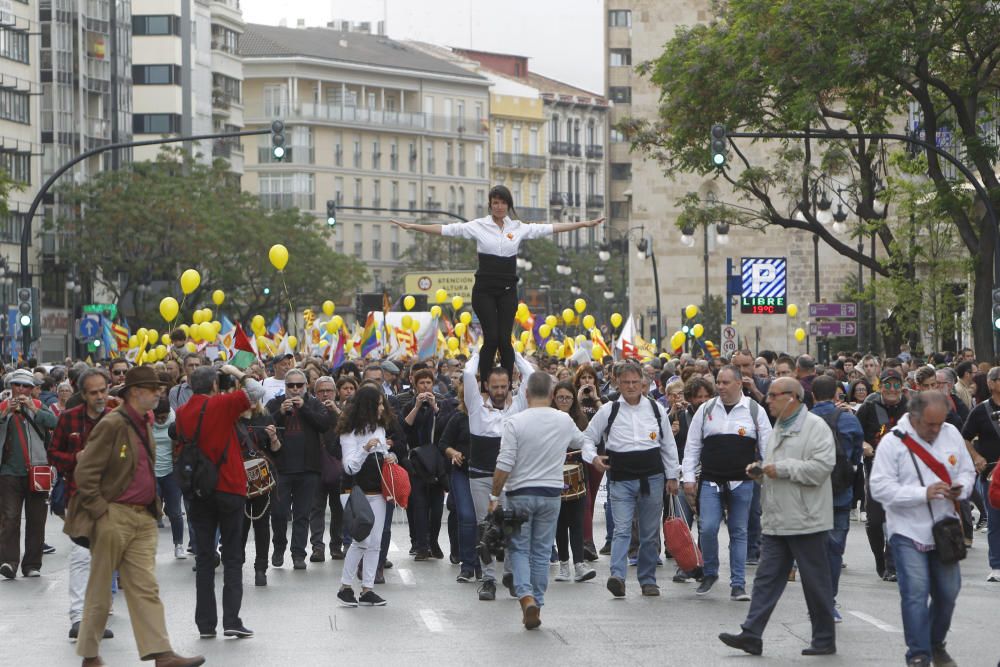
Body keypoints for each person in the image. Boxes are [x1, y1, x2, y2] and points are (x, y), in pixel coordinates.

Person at [391, 184, 602, 384]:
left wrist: (582, 224)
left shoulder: (518, 228)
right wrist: (412, 226)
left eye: (502, 203)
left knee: (505, 339)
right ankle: (485, 383)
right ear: (490, 205)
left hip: (508, 290)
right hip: (484, 291)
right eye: (495, 202)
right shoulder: (479, 226)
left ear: (508, 205)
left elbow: (550, 228)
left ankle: (507, 383)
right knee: (491, 338)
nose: (499, 206)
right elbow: (447, 229)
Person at [65, 366, 204, 667]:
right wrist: (101, 512)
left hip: (143, 517)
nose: (159, 393)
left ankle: (162, 655)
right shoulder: (113, 424)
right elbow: (85, 472)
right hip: (114, 515)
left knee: (145, 588)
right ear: (134, 392)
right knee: (101, 589)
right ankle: (90, 656)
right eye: (153, 388)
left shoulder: (147, 420)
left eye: (159, 388)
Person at [718, 377, 837, 657]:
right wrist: (760, 472)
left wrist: (779, 469)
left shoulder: (815, 427)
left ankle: (824, 638)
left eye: (773, 396)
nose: (767, 400)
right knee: (766, 579)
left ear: (792, 398)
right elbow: (777, 471)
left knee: (815, 582)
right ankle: (752, 634)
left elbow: (821, 469)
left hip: (806, 519)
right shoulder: (779, 427)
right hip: (776, 520)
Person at [869, 391, 975, 667]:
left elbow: (967, 471)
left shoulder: (951, 433)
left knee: (948, 592)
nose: (936, 430)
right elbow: (879, 488)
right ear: (914, 417)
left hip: (945, 529)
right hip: (907, 530)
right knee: (915, 592)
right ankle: (918, 654)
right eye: (930, 425)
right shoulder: (893, 443)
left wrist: (960, 490)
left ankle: (935, 642)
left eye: (940, 423)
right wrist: (922, 493)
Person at [489, 372, 586, 629]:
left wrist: (494, 494)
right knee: (542, 552)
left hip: (520, 493)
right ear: (553, 396)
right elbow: (582, 440)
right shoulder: (563, 420)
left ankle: (526, 596)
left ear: (527, 394)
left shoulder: (515, 422)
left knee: (519, 549)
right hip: (551, 494)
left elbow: (505, 463)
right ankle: (538, 603)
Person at [176, 364, 264, 640]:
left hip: (199, 488)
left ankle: (205, 624)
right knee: (233, 557)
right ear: (214, 385)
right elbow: (256, 390)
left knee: (204, 558)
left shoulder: (181, 412)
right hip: (228, 485)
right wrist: (236, 372)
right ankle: (232, 620)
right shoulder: (222, 404)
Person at [582, 360, 680, 599]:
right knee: (622, 530)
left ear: (644, 383)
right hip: (621, 479)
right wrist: (593, 458)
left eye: (635, 382)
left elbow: (668, 445)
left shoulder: (656, 410)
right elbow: (587, 438)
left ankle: (647, 580)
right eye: (626, 382)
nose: (631, 386)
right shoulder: (609, 410)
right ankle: (617, 576)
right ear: (617, 383)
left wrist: (672, 476)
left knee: (648, 532)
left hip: (652, 478)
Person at [682, 365, 772, 600]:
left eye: (725, 382)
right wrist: (688, 479)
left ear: (739, 383)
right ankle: (710, 572)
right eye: (718, 382)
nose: (720, 387)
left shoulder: (754, 410)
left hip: (742, 482)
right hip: (711, 480)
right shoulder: (706, 409)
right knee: (709, 527)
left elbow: (768, 447)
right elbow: (692, 446)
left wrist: (767, 473)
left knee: (739, 531)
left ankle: (738, 583)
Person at [461, 346, 535, 601]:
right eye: (495, 387)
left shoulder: (519, 407)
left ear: (510, 384)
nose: (500, 391)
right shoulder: (476, 408)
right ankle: (489, 578)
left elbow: (532, 375)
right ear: (487, 387)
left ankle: (512, 575)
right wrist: (482, 350)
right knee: (486, 526)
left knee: (512, 525)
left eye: (504, 386)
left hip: (511, 478)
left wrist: (511, 350)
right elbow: (468, 375)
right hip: (481, 477)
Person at [48, 367, 115, 640]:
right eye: (94, 392)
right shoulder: (69, 419)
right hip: (78, 495)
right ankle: (78, 617)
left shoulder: (115, 420)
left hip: (110, 497)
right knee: (80, 556)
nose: (100, 396)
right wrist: (75, 458)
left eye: (103, 390)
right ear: (83, 394)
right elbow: (54, 453)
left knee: (103, 560)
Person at [266, 368, 334, 569]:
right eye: (290, 385)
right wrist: (280, 413)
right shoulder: (275, 404)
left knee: (302, 515)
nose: (295, 390)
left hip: (308, 469)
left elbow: (324, 424)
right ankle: (279, 547)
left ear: (306, 386)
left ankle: (298, 554)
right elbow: (264, 426)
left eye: (299, 385)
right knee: (278, 514)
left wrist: (304, 408)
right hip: (282, 468)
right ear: (284, 387)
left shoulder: (314, 403)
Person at [336, 384, 396, 608]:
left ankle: (368, 589)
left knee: (376, 542)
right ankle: (345, 586)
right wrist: (365, 449)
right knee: (361, 540)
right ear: (368, 407)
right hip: (354, 492)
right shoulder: (349, 431)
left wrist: (391, 457)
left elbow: (382, 456)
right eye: (379, 404)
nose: (382, 408)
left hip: (378, 491)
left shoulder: (380, 428)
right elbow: (350, 468)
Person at [810, 375, 863, 621]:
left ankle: (816, 602)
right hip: (840, 493)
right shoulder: (849, 421)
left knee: (811, 551)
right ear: (836, 395)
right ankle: (828, 602)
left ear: (812, 395)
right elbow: (855, 456)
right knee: (834, 551)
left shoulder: (803, 420)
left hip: (809, 494)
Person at [0, 368, 58, 580]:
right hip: (9, 472)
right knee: (9, 518)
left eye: (26, 386)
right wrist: (5, 412)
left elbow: (56, 424)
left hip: (38, 470)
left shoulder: (40, 406)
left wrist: (34, 409)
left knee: (36, 519)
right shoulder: (3, 406)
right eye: (17, 385)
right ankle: (8, 562)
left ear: (33, 390)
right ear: (11, 386)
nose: (21, 390)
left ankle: (32, 564)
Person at [857, 368, 908, 581]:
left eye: (897, 385)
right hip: (876, 468)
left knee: (899, 517)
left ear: (902, 387)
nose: (892, 389)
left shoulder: (910, 406)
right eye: (888, 384)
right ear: (880, 386)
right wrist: (864, 445)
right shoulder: (869, 406)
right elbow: (854, 434)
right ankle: (881, 560)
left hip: (904, 471)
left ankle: (893, 564)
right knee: (876, 520)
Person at [550, 381, 596, 583]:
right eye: (560, 397)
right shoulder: (549, 419)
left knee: (577, 520)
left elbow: (587, 442)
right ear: (554, 398)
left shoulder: (579, 419)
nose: (564, 401)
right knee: (560, 522)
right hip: (553, 473)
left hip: (577, 472)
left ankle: (579, 564)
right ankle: (563, 565)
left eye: (568, 398)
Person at [959, 365, 1000, 581]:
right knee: (995, 520)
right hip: (993, 473)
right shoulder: (981, 411)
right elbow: (965, 436)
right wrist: (976, 457)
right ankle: (997, 565)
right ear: (991, 384)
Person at [236, 399, 280, 586]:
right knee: (240, 525)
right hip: (237, 476)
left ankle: (261, 568)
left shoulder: (265, 416)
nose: (251, 401)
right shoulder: (231, 419)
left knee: (262, 524)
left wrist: (273, 438)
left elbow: (276, 449)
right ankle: (237, 564)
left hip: (262, 475)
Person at [438, 378, 477, 582]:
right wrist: (453, 452)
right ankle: (467, 565)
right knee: (466, 516)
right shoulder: (459, 418)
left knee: (484, 519)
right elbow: (443, 443)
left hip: (487, 474)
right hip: (462, 473)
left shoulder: (492, 417)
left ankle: (483, 563)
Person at [151, 397, 185, 559]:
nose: (161, 420)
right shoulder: (147, 421)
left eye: (164, 417)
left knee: (175, 512)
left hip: (171, 471)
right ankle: (148, 548)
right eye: (158, 417)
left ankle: (178, 544)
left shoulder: (175, 419)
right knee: (151, 511)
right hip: (151, 473)